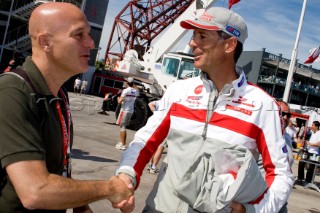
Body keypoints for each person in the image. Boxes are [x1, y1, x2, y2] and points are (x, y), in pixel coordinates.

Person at [113, 6, 294, 213]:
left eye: (202, 36)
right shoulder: (179, 91)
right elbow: (145, 141)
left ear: (229, 45)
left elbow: (280, 174)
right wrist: (127, 175)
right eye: (193, 35)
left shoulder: (263, 105)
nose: (192, 43)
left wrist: (253, 210)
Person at [0, 3, 132, 212]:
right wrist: (108, 188)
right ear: (45, 42)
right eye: (79, 35)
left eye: (89, 34)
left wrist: (81, 204)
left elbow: (58, 168)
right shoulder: (12, 91)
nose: (91, 43)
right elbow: (35, 191)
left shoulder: (59, 95)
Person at [115, 77, 138, 150]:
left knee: (122, 127)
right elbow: (136, 90)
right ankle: (121, 142)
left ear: (127, 83)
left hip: (124, 110)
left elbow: (119, 101)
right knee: (123, 126)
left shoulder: (125, 91)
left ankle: (123, 144)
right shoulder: (135, 91)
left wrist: (118, 99)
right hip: (131, 111)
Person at [147, 100, 167, 174]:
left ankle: (150, 165)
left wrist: (155, 113)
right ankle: (153, 167)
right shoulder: (171, 102)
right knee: (160, 147)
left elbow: (150, 104)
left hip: (156, 125)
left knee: (156, 146)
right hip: (165, 126)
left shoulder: (161, 101)